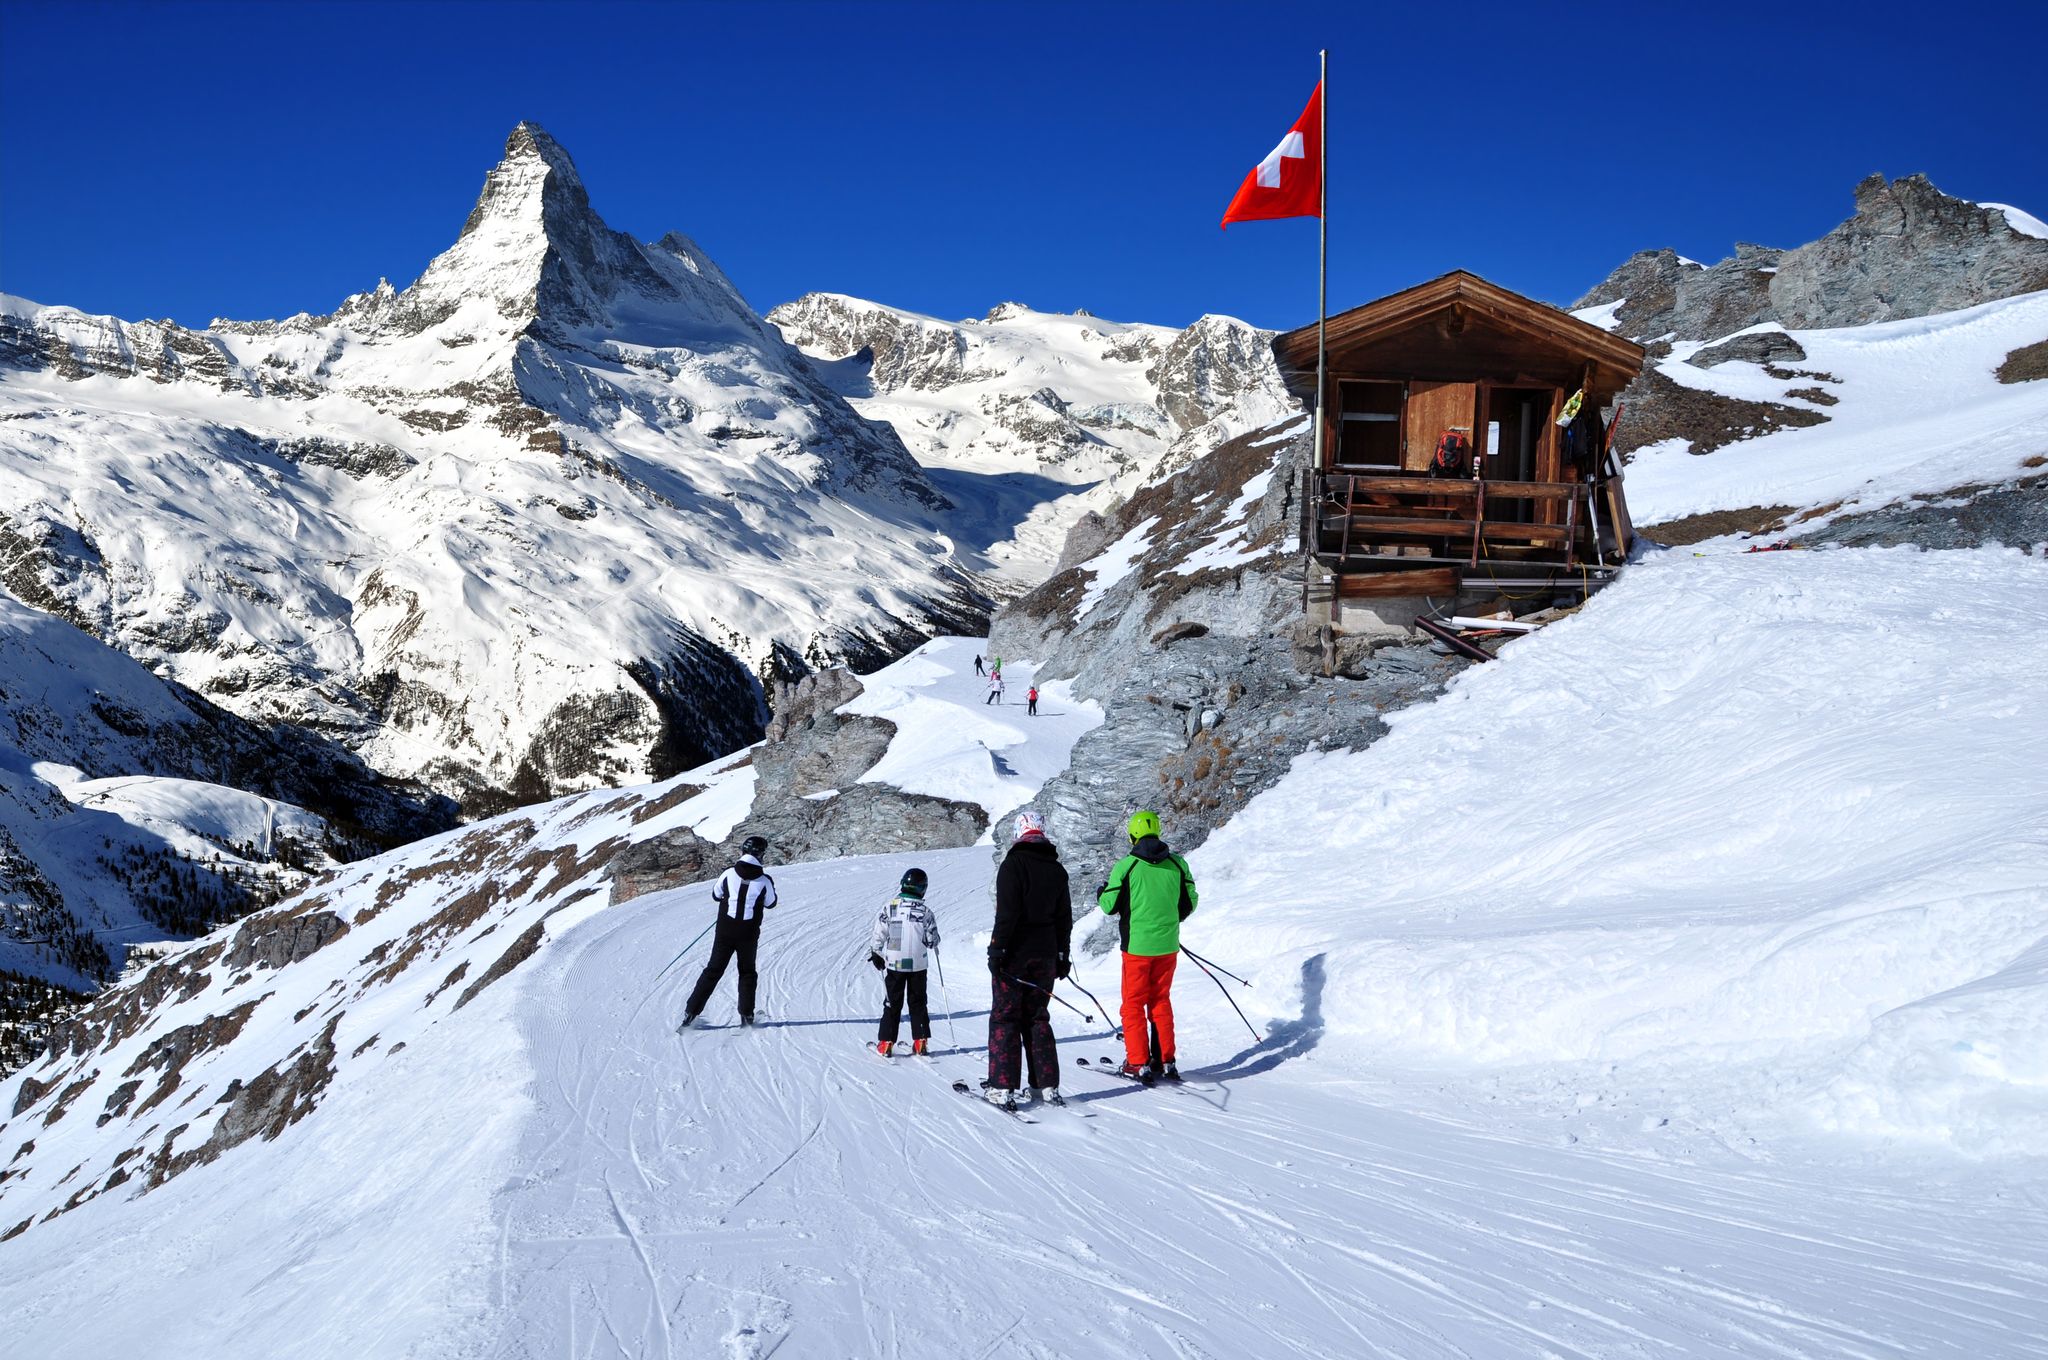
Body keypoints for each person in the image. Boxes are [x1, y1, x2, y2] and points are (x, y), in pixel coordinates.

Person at [1096, 810, 1197, 1082]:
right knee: (1160, 1001)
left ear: (1133, 835)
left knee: (1132, 1004)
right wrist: (1168, 922)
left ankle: (1137, 1062)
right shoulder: (1177, 864)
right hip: (1167, 946)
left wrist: (1101, 891)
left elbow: (1108, 905)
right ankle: (1165, 1060)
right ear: (1158, 831)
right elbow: (1189, 903)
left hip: (1138, 948)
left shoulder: (1126, 866)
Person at [985, 810, 1072, 1107]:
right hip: (1046, 955)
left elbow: (1007, 915)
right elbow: (1064, 919)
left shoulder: (1013, 865)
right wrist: (1063, 954)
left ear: (1018, 832)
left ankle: (1002, 1086)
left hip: (1015, 956)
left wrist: (996, 950)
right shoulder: (1057, 870)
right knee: (1037, 1017)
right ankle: (1045, 1086)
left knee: (1005, 1018)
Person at [680, 834, 777, 1028]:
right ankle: (746, 1018)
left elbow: (716, 895)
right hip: (748, 935)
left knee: (713, 971)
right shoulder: (764, 880)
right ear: (760, 856)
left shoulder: (728, 874)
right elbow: (771, 903)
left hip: (725, 931)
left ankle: (690, 1014)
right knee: (747, 972)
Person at [869, 867, 940, 1056]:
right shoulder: (925, 911)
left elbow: (880, 931)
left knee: (893, 1002)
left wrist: (876, 951)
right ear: (923, 888)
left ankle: (886, 1043)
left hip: (895, 963)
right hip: (918, 964)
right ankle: (920, 1041)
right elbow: (932, 940)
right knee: (918, 1002)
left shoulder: (890, 907)